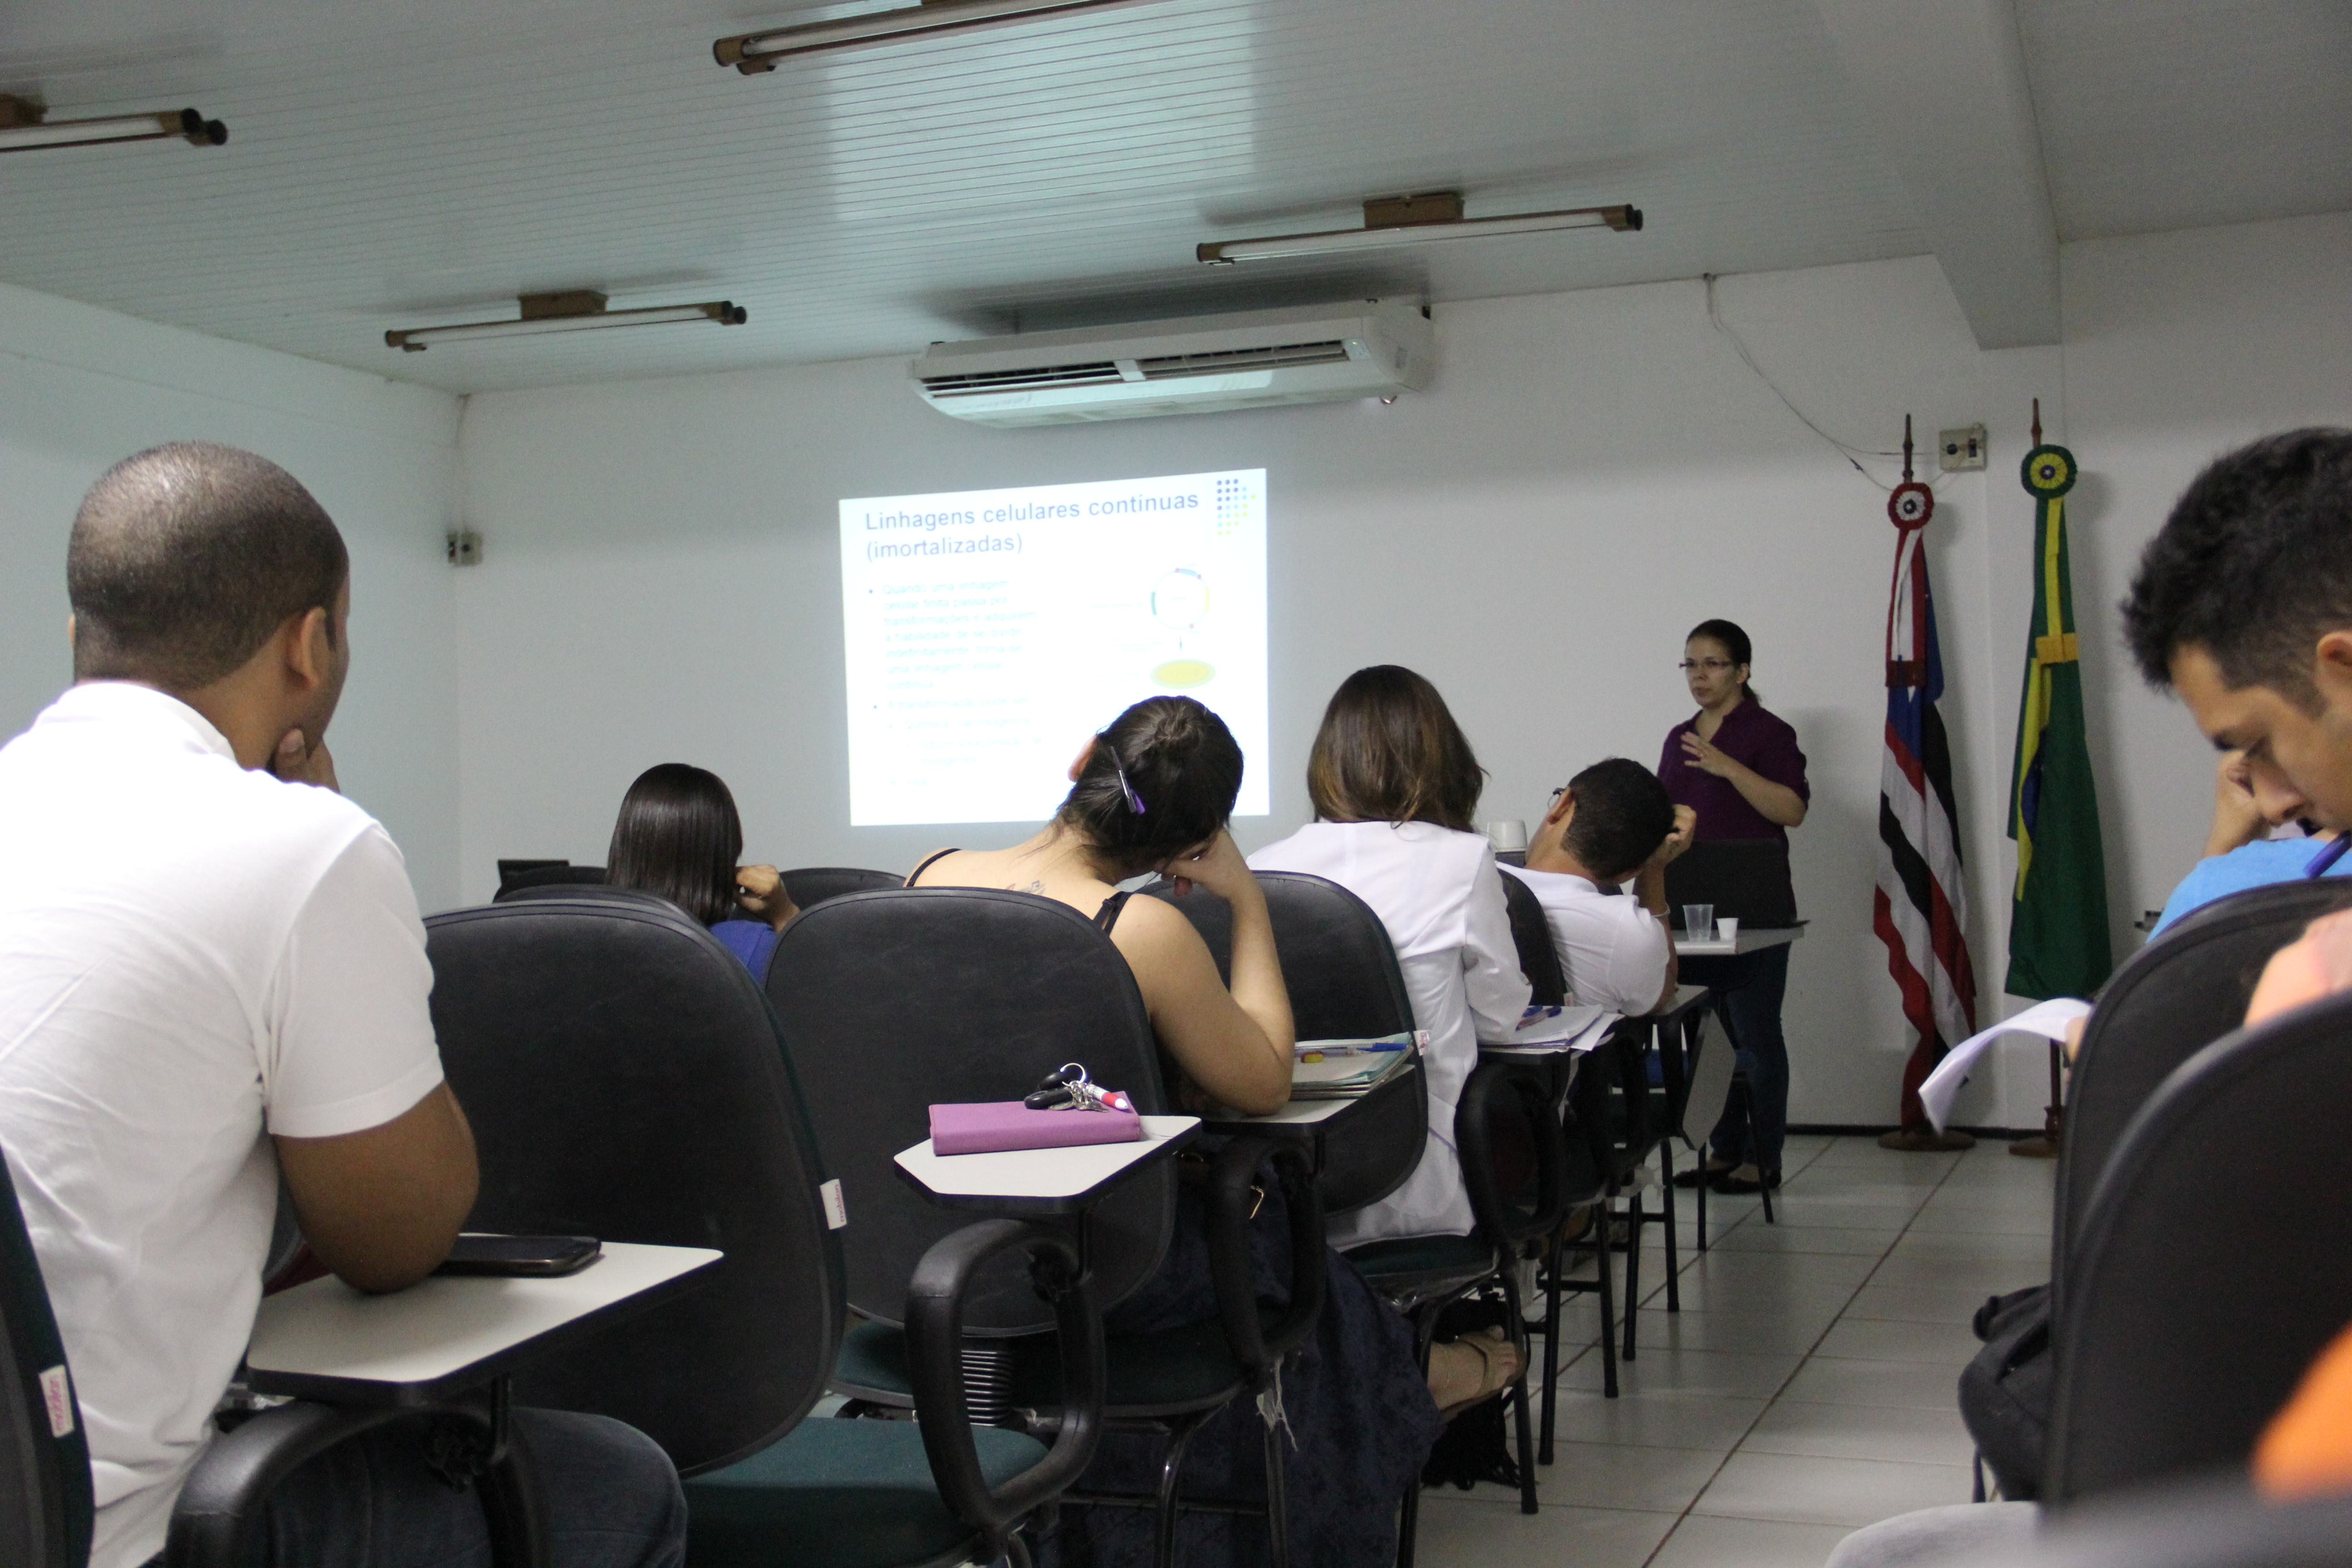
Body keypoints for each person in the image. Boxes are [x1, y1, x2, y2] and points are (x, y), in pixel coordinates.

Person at [0, 444, 685, 1568]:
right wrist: (323, 840)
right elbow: (393, 1237)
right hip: (128, 1533)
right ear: (310, 646)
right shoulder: (301, 849)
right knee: (617, 1488)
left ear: (82, 639)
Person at [906, 694, 1452, 1568]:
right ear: (1182, 849)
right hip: (1098, 1268)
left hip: (932, 1250)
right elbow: (1264, 1081)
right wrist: (1246, 904)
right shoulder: (1142, 928)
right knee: (1305, 1273)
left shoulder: (925, 879)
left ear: (1082, 755)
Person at [1249, 666, 1534, 1244]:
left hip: (1286, 1183)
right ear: (1441, 757)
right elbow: (1502, 1017)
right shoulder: (1464, 861)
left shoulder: (1262, 868)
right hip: (1418, 1178)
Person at [1657, 619, 1815, 1190]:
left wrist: (1727, 767)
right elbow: (1666, 812)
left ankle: (1762, 1156)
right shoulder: (1680, 736)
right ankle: (1722, 1147)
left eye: (1713, 664)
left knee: (1754, 1030)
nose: (1700, 676)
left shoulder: (1768, 733)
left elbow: (1791, 809)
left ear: (1743, 670)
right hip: (1692, 902)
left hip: (1756, 905)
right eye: (1690, 665)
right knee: (1706, 1033)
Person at [1503, 758, 1695, 1017]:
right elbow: (1661, 993)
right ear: (1630, 873)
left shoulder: (1471, 886)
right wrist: (1654, 869)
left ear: (1562, 805)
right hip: (1572, 1057)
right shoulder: (1627, 931)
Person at [604, 762, 799, 972]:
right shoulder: (751, 947)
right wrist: (784, 915)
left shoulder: (583, 942)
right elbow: (819, 989)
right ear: (727, 852)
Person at [2150, 748, 2346, 937]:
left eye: (2263, 744)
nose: (2272, 811)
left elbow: (2188, 958)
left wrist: (2223, 862)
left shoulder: (2215, 887)